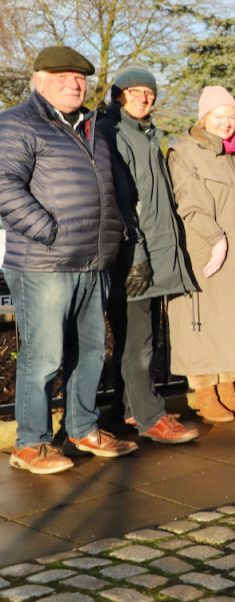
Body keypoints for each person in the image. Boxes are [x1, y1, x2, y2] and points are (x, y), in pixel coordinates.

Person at [0, 46, 138, 474]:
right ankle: (31, 443)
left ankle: (82, 427)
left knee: (91, 352)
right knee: (43, 357)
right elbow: (4, 185)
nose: (73, 83)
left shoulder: (95, 127)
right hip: (44, 263)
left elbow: (109, 187)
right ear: (38, 79)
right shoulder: (17, 123)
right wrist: (50, 231)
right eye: (61, 76)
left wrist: (114, 233)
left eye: (79, 78)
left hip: (93, 261)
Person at [98, 62, 200, 444]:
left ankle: (127, 410)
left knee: (138, 339)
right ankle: (150, 416)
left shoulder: (146, 135)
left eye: (150, 93)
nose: (144, 97)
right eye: (135, 91)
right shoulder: (113, 134)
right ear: (119, 95)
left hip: (154, 253)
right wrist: (137, 253)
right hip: (133, 256)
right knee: (138, 342)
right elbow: (123, 202)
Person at [167, 86, 235, 422]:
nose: (227, 123)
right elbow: (189, 202)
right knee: (202, 321)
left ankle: (227, 387)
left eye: (232, 117)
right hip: (205, 249)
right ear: (203, 118)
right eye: (219, 117)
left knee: (231, 320)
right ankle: (204, 391)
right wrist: (216, 239)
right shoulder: (184, 152)